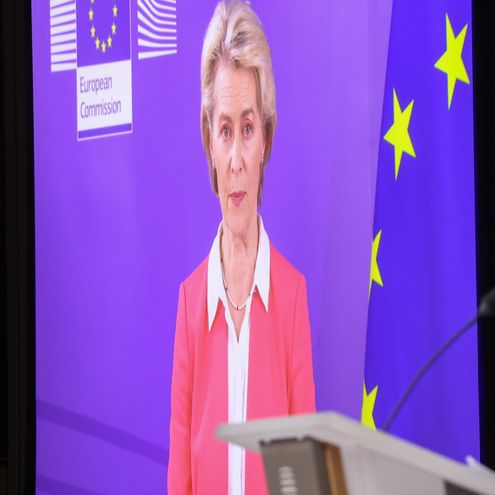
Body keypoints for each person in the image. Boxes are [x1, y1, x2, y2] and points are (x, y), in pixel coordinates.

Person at [168, 1, 316, 493]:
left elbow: (307, 472)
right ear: (208, 142)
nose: (235, 159)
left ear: (266, 141)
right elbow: (179, 478)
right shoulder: (191, 302)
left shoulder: (292, 295)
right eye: (225, 130)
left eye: (247, 130)